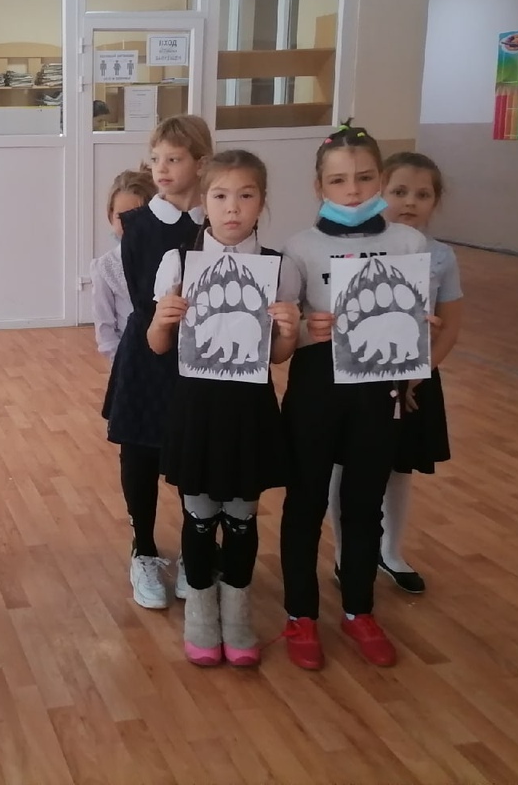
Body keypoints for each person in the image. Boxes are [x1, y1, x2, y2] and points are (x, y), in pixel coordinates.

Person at [276, 121, 428, 671]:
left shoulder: (409, 244)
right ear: (319, 186)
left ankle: (359, 609)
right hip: (317, 389)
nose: (353, 190)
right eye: (339, 180)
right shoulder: (299, 247)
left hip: (376, 392)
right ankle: (300, 613)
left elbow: (417, 324)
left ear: (381, 178)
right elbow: (281, 336)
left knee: (364, 504)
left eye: (365, 177)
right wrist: (302, 327)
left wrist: (420, 338)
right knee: (305, 502)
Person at [148, 150, 300, 668]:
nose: (232, 207)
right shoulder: (179, 262)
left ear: (262, 201)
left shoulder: (278, 267)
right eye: (220, 195)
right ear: (203, 202)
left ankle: (237, 615)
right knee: (197, 516)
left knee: (241, 517)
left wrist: (289, 331)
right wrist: (163, 320)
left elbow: (277, 357)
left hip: (249, 410)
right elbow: (157, 345)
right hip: (196, 409)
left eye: (246, 195)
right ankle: (200, 615)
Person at [327, 151, 463, 595]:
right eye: (399, 191)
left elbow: (450, 326)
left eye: (423, 194)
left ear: (435, 201)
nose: (410, 202)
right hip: (357, 379)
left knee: (399, 468)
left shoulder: (441, 256)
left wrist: (418, 375)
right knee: (345, 466)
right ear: (380, 193)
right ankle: (345, 554)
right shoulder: (356, 248)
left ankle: (391, 551)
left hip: (414, 382)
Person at [102, 114, 212, 609]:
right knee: (140, 454)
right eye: (156, 159)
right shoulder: (138, 226)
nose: (162, 169)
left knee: (195, 455)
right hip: (149, 352)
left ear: (200, 163)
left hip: (205, 356)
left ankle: (194, 551)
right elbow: (142, 298)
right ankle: (143, 550)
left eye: (174, 159)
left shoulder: (218, 219)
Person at [90, 167, 154, 361]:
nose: (128, 224)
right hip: (127, 359)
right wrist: (120, 363)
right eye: (121, 216)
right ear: (110, 215)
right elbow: (105, 328)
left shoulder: (168, 259)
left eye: (136, 215)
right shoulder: (104, 267)